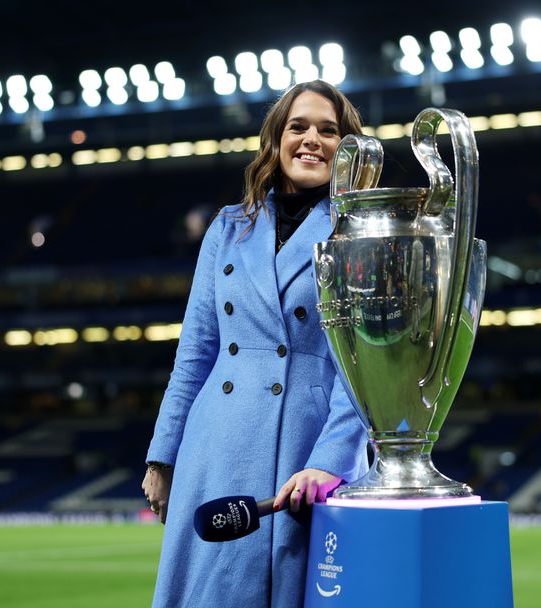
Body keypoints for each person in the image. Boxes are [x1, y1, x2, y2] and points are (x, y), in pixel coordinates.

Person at [142, 80, 369, 608]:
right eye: (298, 127)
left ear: (348, 148)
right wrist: (163, 457)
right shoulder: (228, 227)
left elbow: (363, 366)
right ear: (276, 140)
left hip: (307, 453)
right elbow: (195, 353)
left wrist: (331, 460)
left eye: (328, 130)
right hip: (214, 449)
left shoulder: (361, 232)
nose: (311, 140)